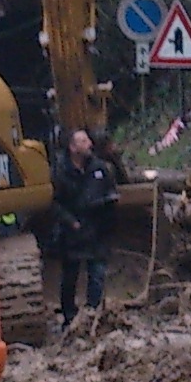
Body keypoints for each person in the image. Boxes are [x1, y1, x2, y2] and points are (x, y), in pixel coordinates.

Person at [43, 125, 121, 327]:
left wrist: (107, 220)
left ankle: (92, 314)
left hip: (96, 230)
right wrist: (71, 222)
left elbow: (110, 194)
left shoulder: (99, 168)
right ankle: (69, 317)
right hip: (73, 232)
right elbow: (54, 202)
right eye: (84, 141)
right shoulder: (60, 171)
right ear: (72, 147)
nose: (90, 144)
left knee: (97, 274)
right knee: (70, 277)